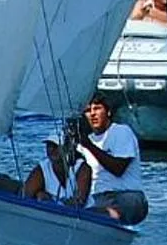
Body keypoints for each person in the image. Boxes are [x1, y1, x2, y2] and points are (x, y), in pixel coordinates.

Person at [72, 95, 145, 223]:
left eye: (97, 108)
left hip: (127, 197)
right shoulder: (84, 143)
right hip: (98, 199)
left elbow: (118, 169)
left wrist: (89, 146)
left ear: (108, 112)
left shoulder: (121, 131)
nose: (93, 114)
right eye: (88, 111)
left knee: (91, 215)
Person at [19, 134, 90, 205]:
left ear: (67, 148)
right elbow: (25, 195)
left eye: (56, 146)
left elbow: (79, 201)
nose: (52, 149)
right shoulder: (43, 168)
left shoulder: (82, 168)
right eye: (49, 146)